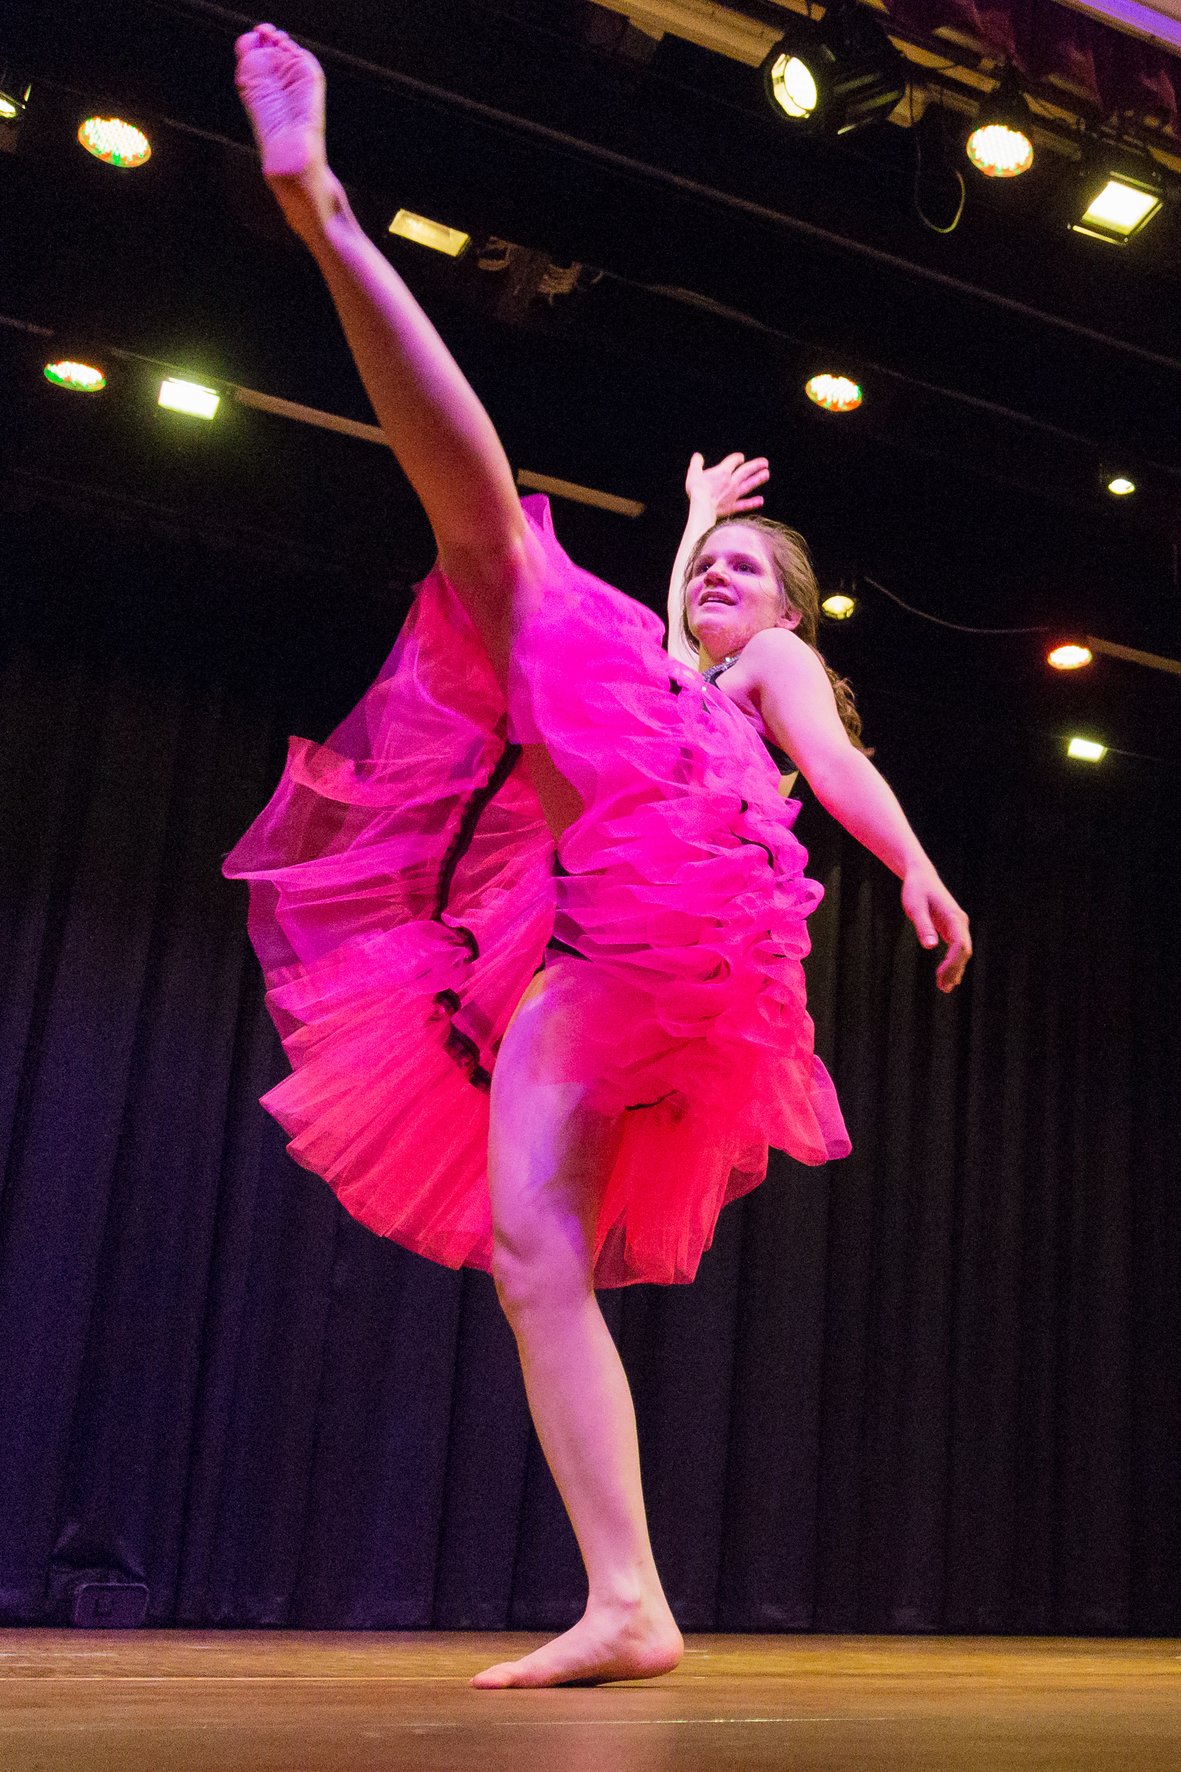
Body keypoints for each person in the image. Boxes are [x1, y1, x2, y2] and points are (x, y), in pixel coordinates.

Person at [224, 24, 972, 1691]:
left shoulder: (767, 675)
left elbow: (832, 759)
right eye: (708, 576)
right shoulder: (670, 674)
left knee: (493, 547)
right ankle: (627, 1599)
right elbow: (665, 639)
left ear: (793, 613)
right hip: (616, 954)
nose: (716, 590)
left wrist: (917, 865)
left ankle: (327, 213)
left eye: (746, 579)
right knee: (530, 1254)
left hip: (669, 929)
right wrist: (696, 525)